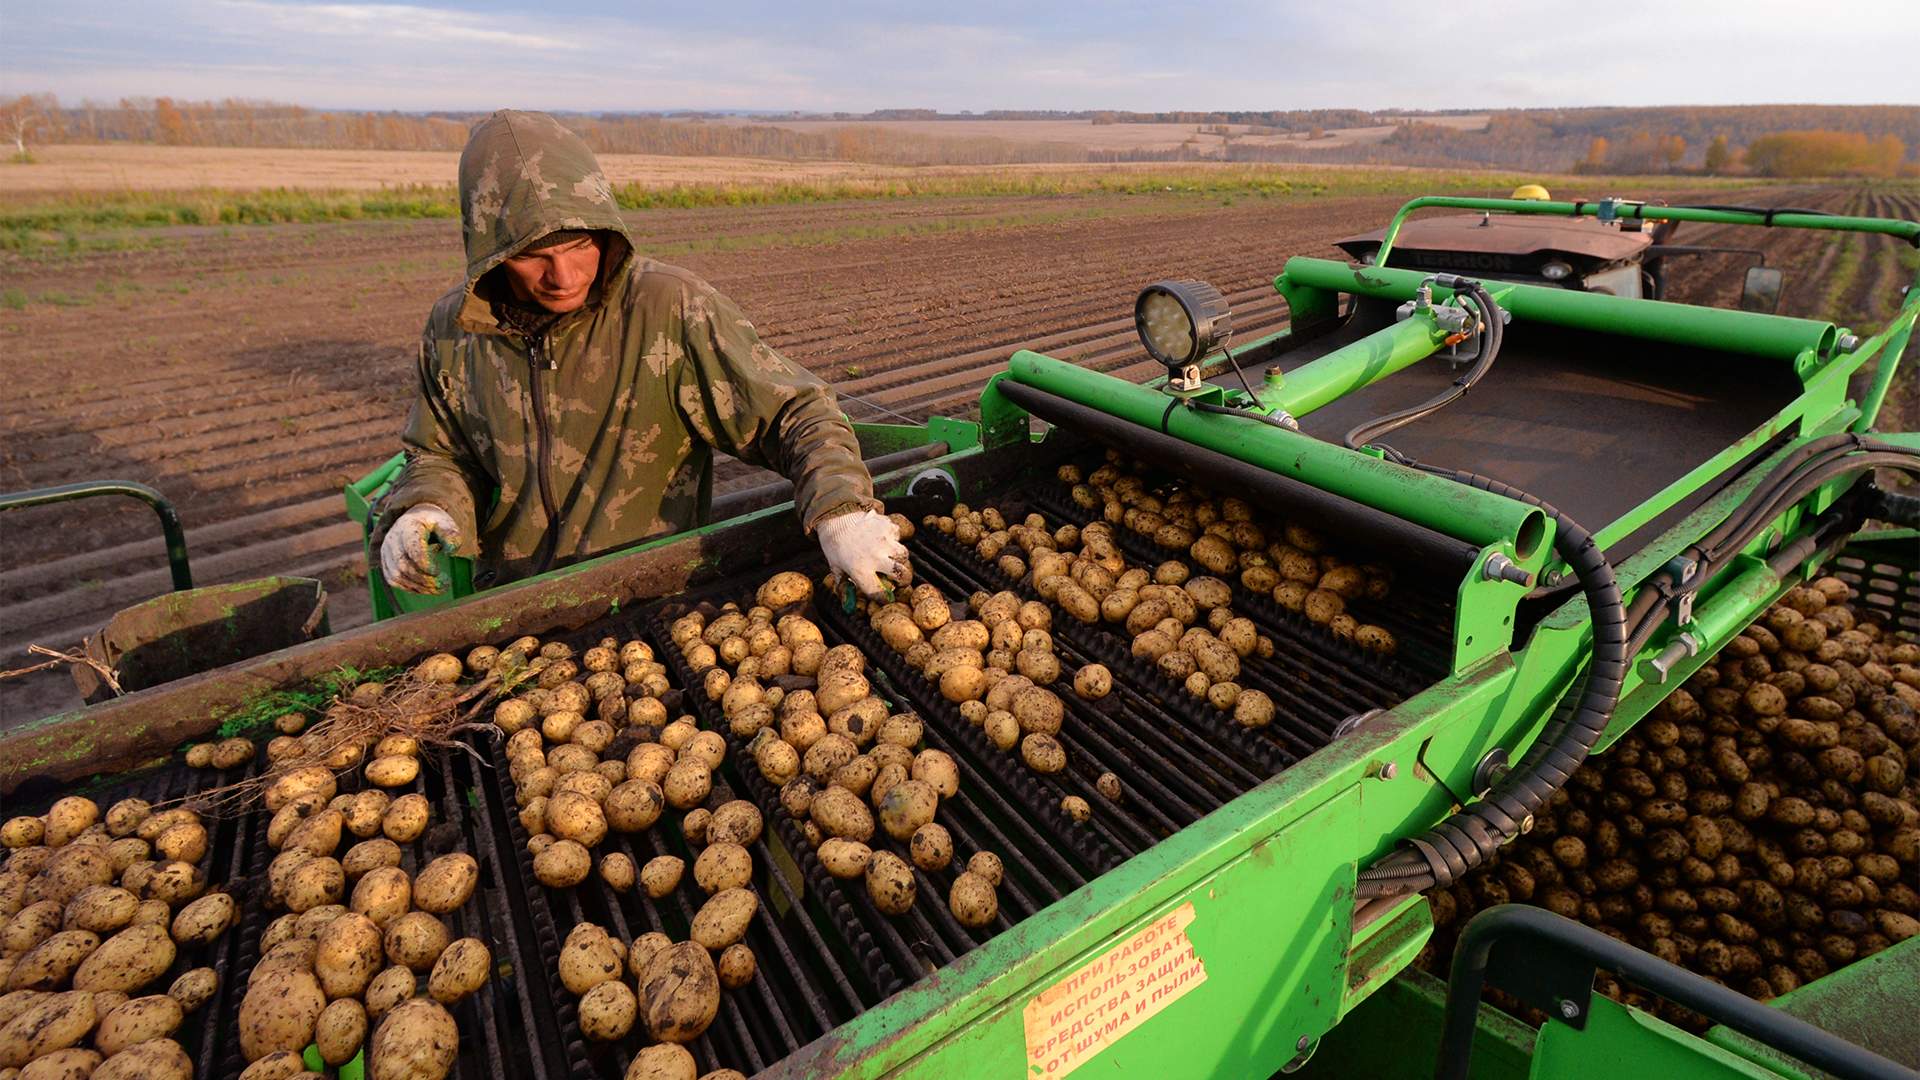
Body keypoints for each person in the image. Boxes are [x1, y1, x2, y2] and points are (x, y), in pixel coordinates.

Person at [373, 110, 905, 597]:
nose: (563, 277)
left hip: (651, 593)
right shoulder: (457, 329)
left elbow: (794, 413)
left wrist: (841, 510)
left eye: (581, 246)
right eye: (534, 256)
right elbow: (440, 452)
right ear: (491, 254)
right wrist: (425, 504)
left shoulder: (668, 309)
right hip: (515, 602)